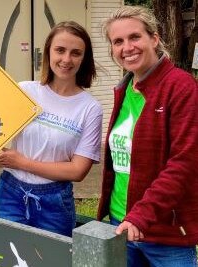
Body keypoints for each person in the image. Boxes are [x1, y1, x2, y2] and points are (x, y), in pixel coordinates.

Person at [97, 6, 198, 266]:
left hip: (166, 234)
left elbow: (184, 162)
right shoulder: (126, 88)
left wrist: (141, 215)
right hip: (121, 223)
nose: (127, 47)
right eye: (117, 41)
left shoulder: (181, 86)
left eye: (135, 37)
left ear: (154, 38)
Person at [0, 21, 103, 237]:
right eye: (60, 50)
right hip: (10, 193)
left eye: (76, 53)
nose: (66, 59)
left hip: (54, 201)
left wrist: (21, 162)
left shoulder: (90, 108)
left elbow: (77, 171)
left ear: (84, 59)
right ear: (48, 51)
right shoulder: (25, 90)